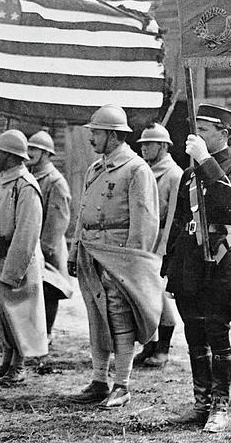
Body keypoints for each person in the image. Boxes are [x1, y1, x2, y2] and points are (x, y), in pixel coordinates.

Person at [164, 104, 231, 433]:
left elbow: (229, 204)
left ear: (224, 134)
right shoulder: (188, 173)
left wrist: (205, 159)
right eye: (196, 129)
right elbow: (179, 221)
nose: (195, 135)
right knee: (193, 332)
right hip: (189, 261)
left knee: (217, 330)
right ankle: (201, 402)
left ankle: (220, 404)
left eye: (203, 130)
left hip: (220, 259)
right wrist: (170, 265)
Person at [67, 105, 162, 409]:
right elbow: (82, 214)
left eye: (96, 132)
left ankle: (121, 385)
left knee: (120, 320)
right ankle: (98, 380)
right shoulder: (96, 168)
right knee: (96, 316)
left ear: (113, 135)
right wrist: (74, 249)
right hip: (91, 252)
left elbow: (145, 220)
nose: (92, 138)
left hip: (118, 255)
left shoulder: (136, 169)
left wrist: (131, 265)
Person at [0, 130, 47, 385]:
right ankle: (7, 357)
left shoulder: (25, 186)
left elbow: (27, 232)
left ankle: (20, 364)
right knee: (1, 312)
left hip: (14, 259)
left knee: (21, 314)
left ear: (11, 156)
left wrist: (13, 272)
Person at [135, 122, 183, 368]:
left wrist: (165, 249)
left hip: (161, 242)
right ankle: (149, 345)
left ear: (163, 146)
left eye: (149, 144)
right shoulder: (142, 171)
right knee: (144, 295)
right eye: (142, 145)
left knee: (160, 296)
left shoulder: (174, 175)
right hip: (142, 241)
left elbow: (174, 215)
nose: (144, 149)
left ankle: (163, 348)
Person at [25, 130, 73, 348]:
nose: (29, 153)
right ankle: (33, 331)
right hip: (31, 244)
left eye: (35, 149)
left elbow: (58, 220)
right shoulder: (31, 176)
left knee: (48, 289)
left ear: (46, 154)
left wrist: (45, 248)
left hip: (48, 246)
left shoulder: (55, 181)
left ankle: (47, 332)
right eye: (29, 148)